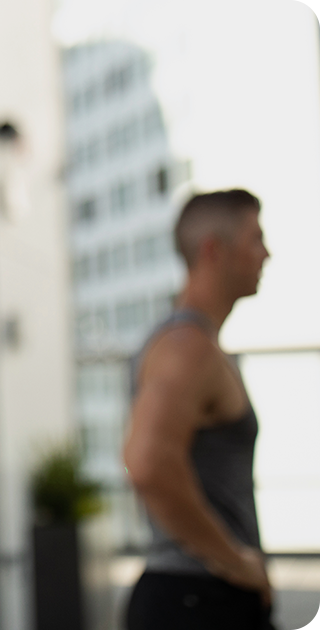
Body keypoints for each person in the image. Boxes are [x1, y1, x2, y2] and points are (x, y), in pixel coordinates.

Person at [123, 189, 274, 629]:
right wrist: (236, 561)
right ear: (213, 250)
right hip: (196, 601)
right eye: (255, 238)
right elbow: (147, 465)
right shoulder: (186, 347)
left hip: (201, 597)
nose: (266, 253)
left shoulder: (195, 343)